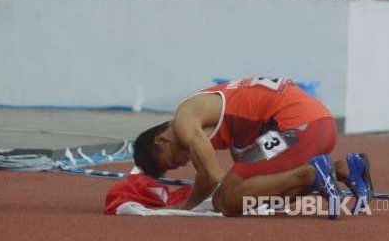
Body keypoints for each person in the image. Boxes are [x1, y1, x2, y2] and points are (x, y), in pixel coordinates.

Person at [133, 77, 373, 218]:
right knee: (256, 197)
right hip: (316, 123)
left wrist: (182, 209)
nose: (182, 163)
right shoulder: (214, 118)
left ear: (161, 140)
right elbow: (239, 164)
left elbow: (211, 176)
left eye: (172, 161)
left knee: (226, 201)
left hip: (297, 126)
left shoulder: (184, 121)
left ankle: (311, 172)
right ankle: (345, 169)